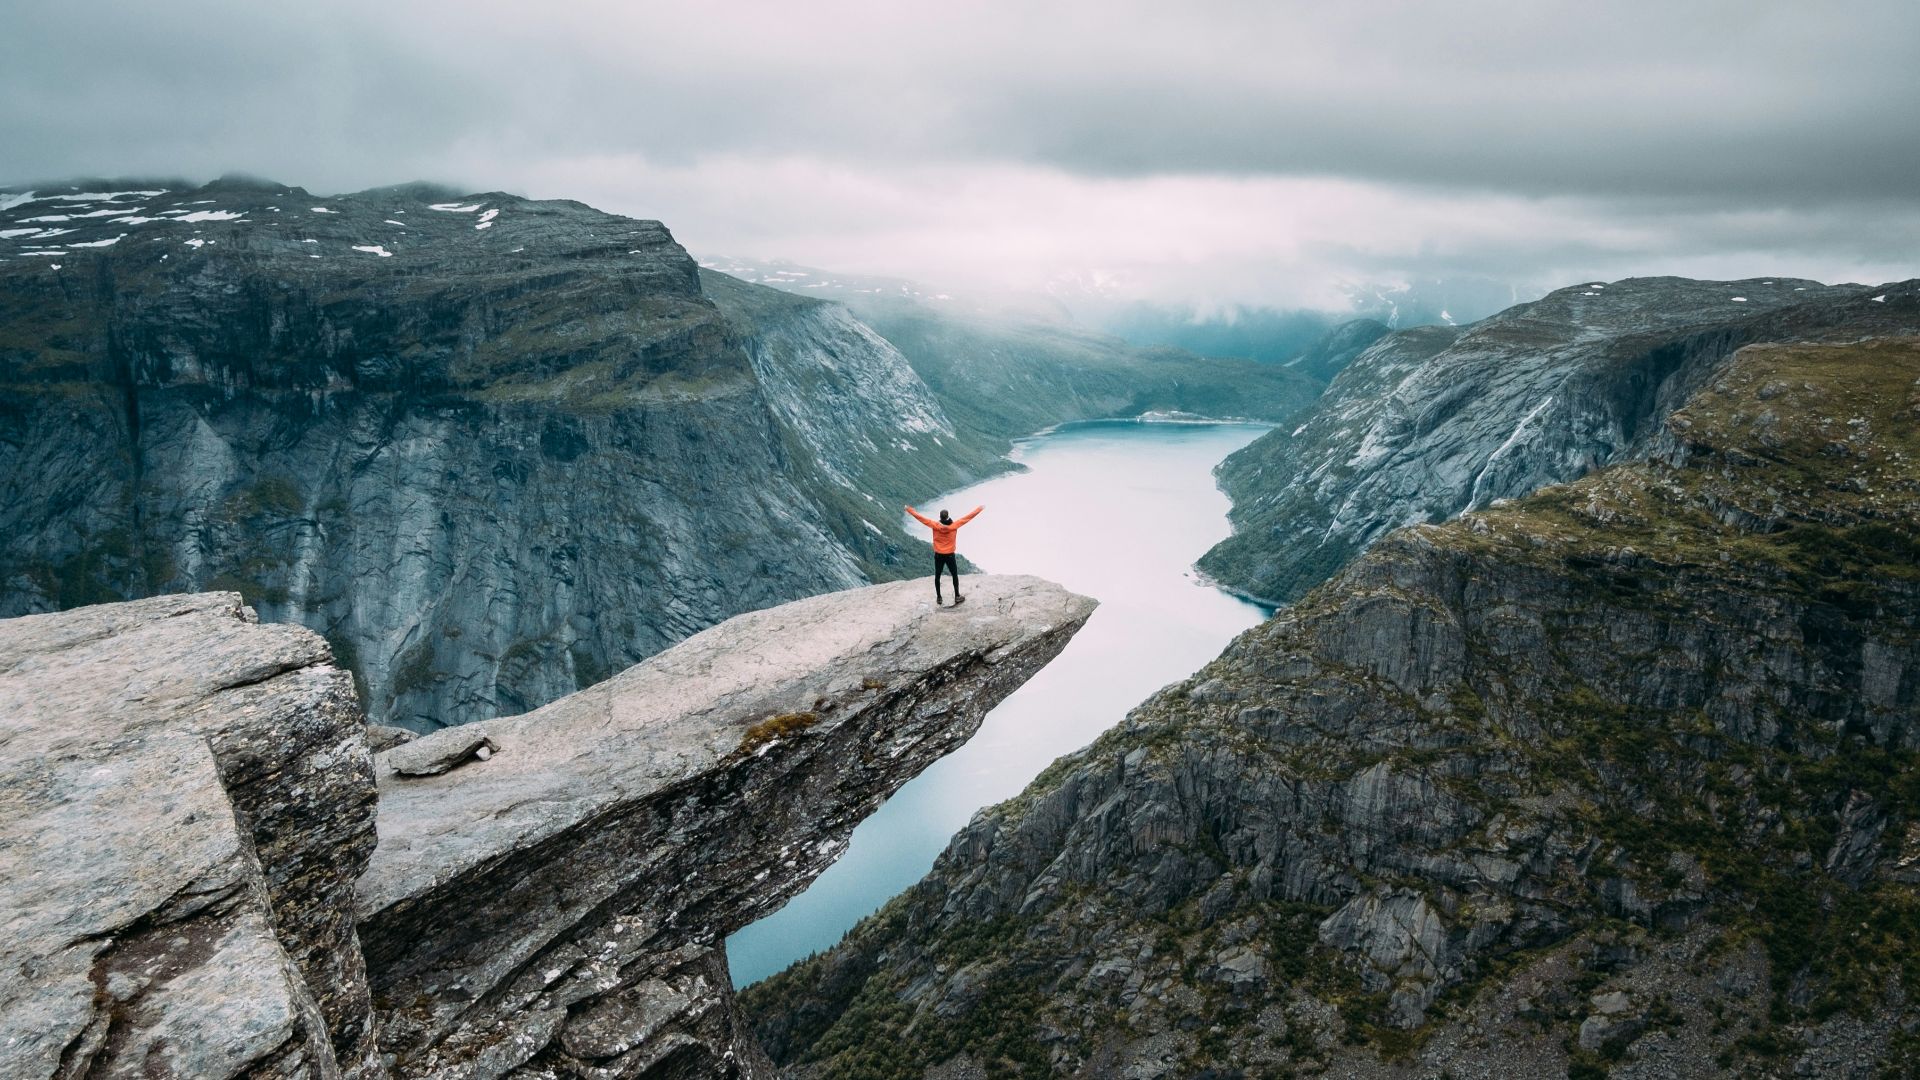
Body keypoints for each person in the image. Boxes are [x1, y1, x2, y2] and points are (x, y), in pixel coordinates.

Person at [905, 504, 983, 606]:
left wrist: (909, 510)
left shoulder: (934, 525)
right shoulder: (955, 525)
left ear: (940, 517)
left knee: (937, 576)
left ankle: (939, 598)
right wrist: (979, 509)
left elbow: (921, 518)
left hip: (939, 555)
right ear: (948, 517)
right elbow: (968, 517)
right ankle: (957, 596)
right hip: (950, 555)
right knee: (954, 575)